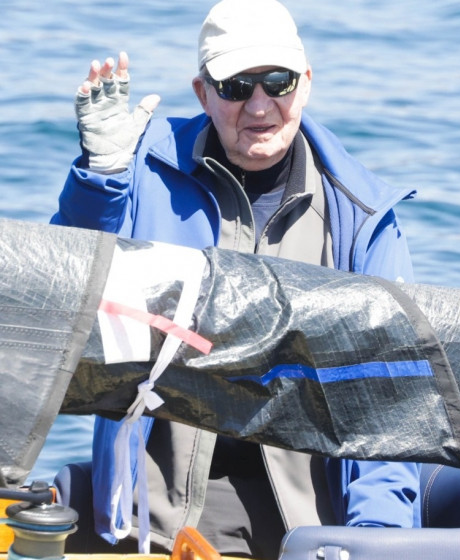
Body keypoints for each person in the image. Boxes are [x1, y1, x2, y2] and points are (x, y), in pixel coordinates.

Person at [51, 0, 420, 557]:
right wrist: (100, 178)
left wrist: (374, 540)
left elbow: (391, 398)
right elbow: (64, 297)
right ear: (202, 93)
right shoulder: (137, 173)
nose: (260, 105)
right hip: (148, 513)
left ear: (306, 83)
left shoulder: (363, 218)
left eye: (278, 82)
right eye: (236, 86)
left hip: (304, 521)